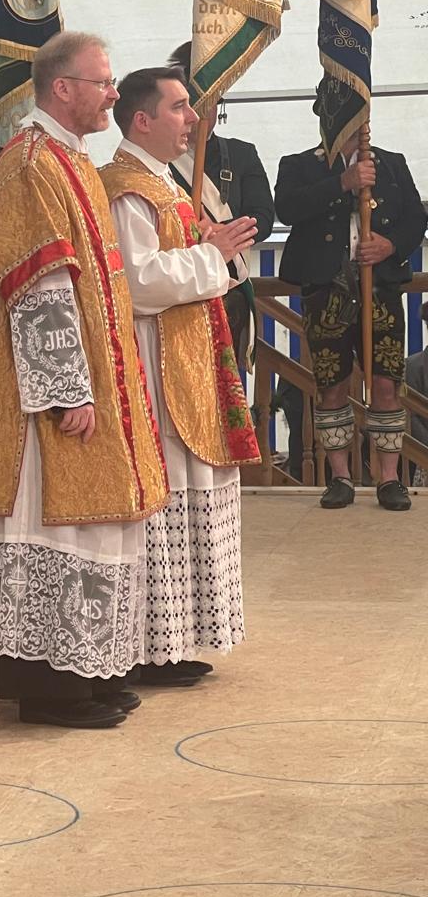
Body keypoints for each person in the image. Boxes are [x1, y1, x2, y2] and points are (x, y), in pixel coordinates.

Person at [0, 31, 169, 730]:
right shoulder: (29, 165)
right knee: (55, 527)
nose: (113, 93)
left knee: (97, 528)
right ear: (62, 88)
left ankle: (92, 670)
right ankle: (50, 689)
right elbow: (38, 285)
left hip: (99, 378)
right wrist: (65, 390)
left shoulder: (70, 158)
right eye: (102, 82)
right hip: (45, 401)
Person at [100, 68, 260, 691]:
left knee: (196, 493)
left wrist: (209, 247)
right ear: (142, 120)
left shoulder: (165, 182)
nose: (194, 118)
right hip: (153, 366)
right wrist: (210, 254)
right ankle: (149, 645)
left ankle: (176, 639)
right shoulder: (125, 189)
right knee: (165, 499)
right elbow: (137, 283)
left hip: (186, 357)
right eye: (180, 107)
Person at [274, 80, 427, 511]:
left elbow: (416, 219)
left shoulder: (391, 164)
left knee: (386, 384)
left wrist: (390, 245)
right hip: (327, 292)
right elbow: (286, 209)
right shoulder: (298, 165)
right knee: (332, 385)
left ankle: (389, 479)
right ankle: (339, 476)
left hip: (380, 290)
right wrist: (341, 182)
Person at [166, 43, 276, 369]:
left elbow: (263, 218)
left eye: (209, 103)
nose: (201, 112)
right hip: (178, 288)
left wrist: (220, 233)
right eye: (190, 103)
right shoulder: (159, 161)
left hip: (229, 287)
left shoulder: (242, 154)